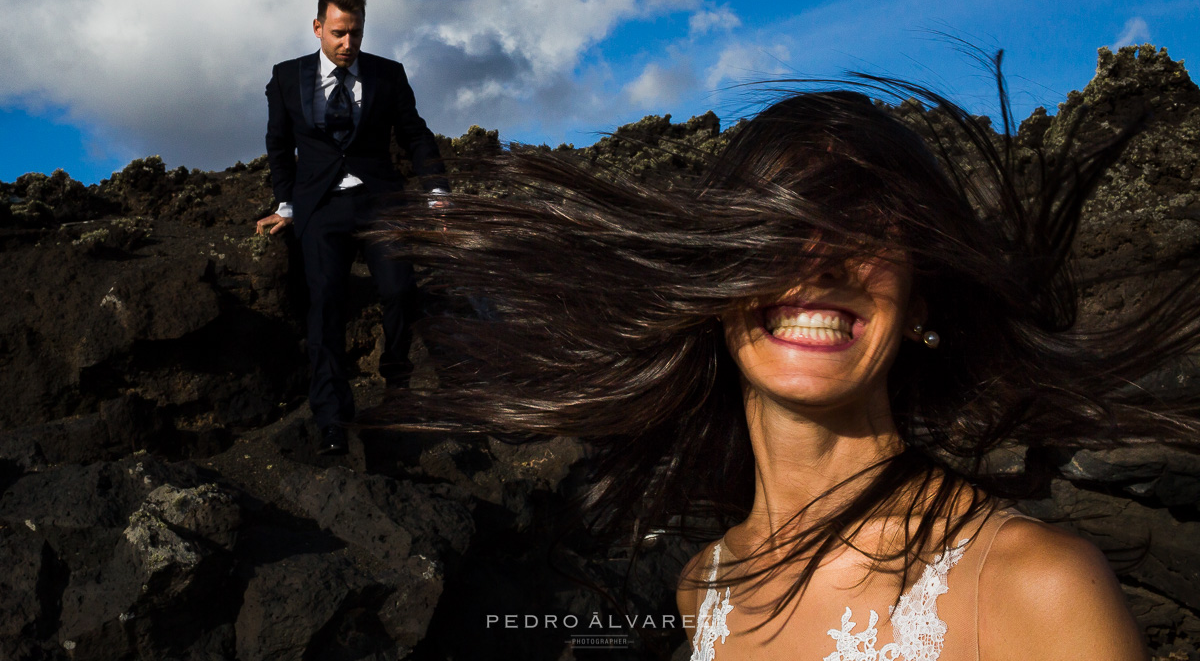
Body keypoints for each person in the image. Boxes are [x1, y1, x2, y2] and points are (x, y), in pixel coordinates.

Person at [370, 65, 1200, 658]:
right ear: (715, 278)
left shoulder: (1033, 585)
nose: (820, 261)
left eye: (867, 229)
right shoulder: (703, 588)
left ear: (919, 308)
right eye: (777, 227)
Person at [256, 0, 448, 455]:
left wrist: (438, 193)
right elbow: (279, 147)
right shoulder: (286, 77)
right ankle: (331, 420)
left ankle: (397, 386)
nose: (348, 44)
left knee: (401, 289)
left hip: (380, 200)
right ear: (318, 27)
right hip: (320, 205)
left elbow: (415, 135)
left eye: (356, 34)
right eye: (339, 33)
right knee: (323, 304)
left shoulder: (388, 74)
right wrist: (287, 206)